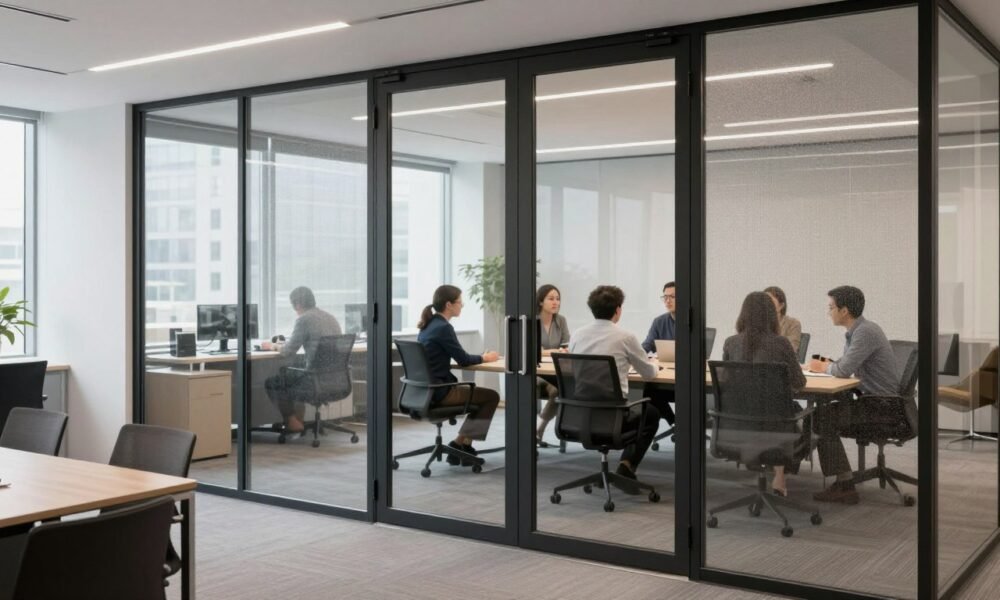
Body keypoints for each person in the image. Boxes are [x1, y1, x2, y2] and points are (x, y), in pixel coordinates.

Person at [808, 285, 899, 504]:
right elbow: (844, 366)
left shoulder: (865, 332)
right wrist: (830, 365)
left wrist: (823, 368)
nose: (828, 312)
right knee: (820, 414)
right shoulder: (857, 331)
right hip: (871, 399)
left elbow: (842, 370)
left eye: (831, 307)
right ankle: (841, 479)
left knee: (821, 417)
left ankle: (845, 484)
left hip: (882, 406)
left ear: (844, 311)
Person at [569, 285, 661, 493]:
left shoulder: (577, 335)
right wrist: (655, 364)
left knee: (641, 410)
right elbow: (648, 374)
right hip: (614, 417)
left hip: (582, 415)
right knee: (651, 413)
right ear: (618, 310)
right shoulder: (625, 337)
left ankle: (625, 468)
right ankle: (626, 466)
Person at [722, 292, 807, 497]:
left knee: (773, 413)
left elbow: (726, 382)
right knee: (791, 414)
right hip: (774, 423)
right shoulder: (781, 344)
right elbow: (799, 383)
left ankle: (773, 471)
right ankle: (780, 474)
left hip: (737, 424)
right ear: (772, 315)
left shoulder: (731, 343)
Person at [417, 284, 501, 465]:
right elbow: (463, 359)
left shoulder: (428, 325)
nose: (462, 306)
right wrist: (486, 357)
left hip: (424, 391)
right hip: (440, 391)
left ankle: (459, 445)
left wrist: (479, 357)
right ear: (449, 305)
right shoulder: (443, 328)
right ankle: (463, 446)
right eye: (460, 302)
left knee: (479, 397)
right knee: (491, 397)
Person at [263, 286, 343, 434]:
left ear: (297, 304)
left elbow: (288, 350)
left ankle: (292, 421)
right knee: (294, 371)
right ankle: (298, 419)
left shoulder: (304, 319)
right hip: (336, 379)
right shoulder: (330, 317)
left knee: (274, 382)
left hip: (316, 380)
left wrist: (272, 346)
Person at [535, 284, 570, 444]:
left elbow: (566, 346)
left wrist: (546, 350)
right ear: (541, 301)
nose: (555, 302)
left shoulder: (560, 320)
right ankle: (531, 431)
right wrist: (552, 351)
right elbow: (531, 350)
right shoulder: (532, 320)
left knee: (559, 390)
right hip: (535, 371)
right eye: (551, 298)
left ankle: (538, 428)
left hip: (554, 371)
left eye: (557, 299)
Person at [763, 286, 802, 355]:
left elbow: (790, 349)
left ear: (781, 306)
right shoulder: (756, 322)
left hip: (780, 363)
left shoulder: (793, 323)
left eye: (770, 302)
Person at [641, 281, 677, 354]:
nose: (668, 301)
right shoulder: (659, 321)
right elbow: (648, 344)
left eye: (672, 297)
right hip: (664, 364)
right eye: (665, 297)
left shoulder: (690, 321)